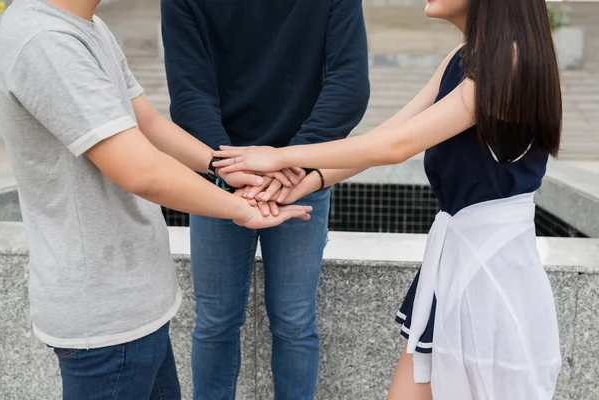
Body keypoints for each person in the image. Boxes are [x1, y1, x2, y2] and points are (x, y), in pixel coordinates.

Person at [213, 0, 563, 398]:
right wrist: (301, 182)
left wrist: (281, 156)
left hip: (492, 271)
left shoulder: (510, 63)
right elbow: (381, 139)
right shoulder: (462, 59)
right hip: (457, 259)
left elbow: (395, 147)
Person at [0, 0, 312, 398]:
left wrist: (221, 166)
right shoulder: (45, 41)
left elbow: (145, 120)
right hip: (105, 316)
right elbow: (142, 172)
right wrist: (240, 208)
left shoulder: (85, 25)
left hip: (135, 306)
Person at [160, 0, 370, 398]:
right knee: (216, 322)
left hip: (298, 176)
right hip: (221, 175)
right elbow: (189, 91)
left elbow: (349, 84)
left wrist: (296, 160)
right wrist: (227, 166)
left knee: (293, 321)